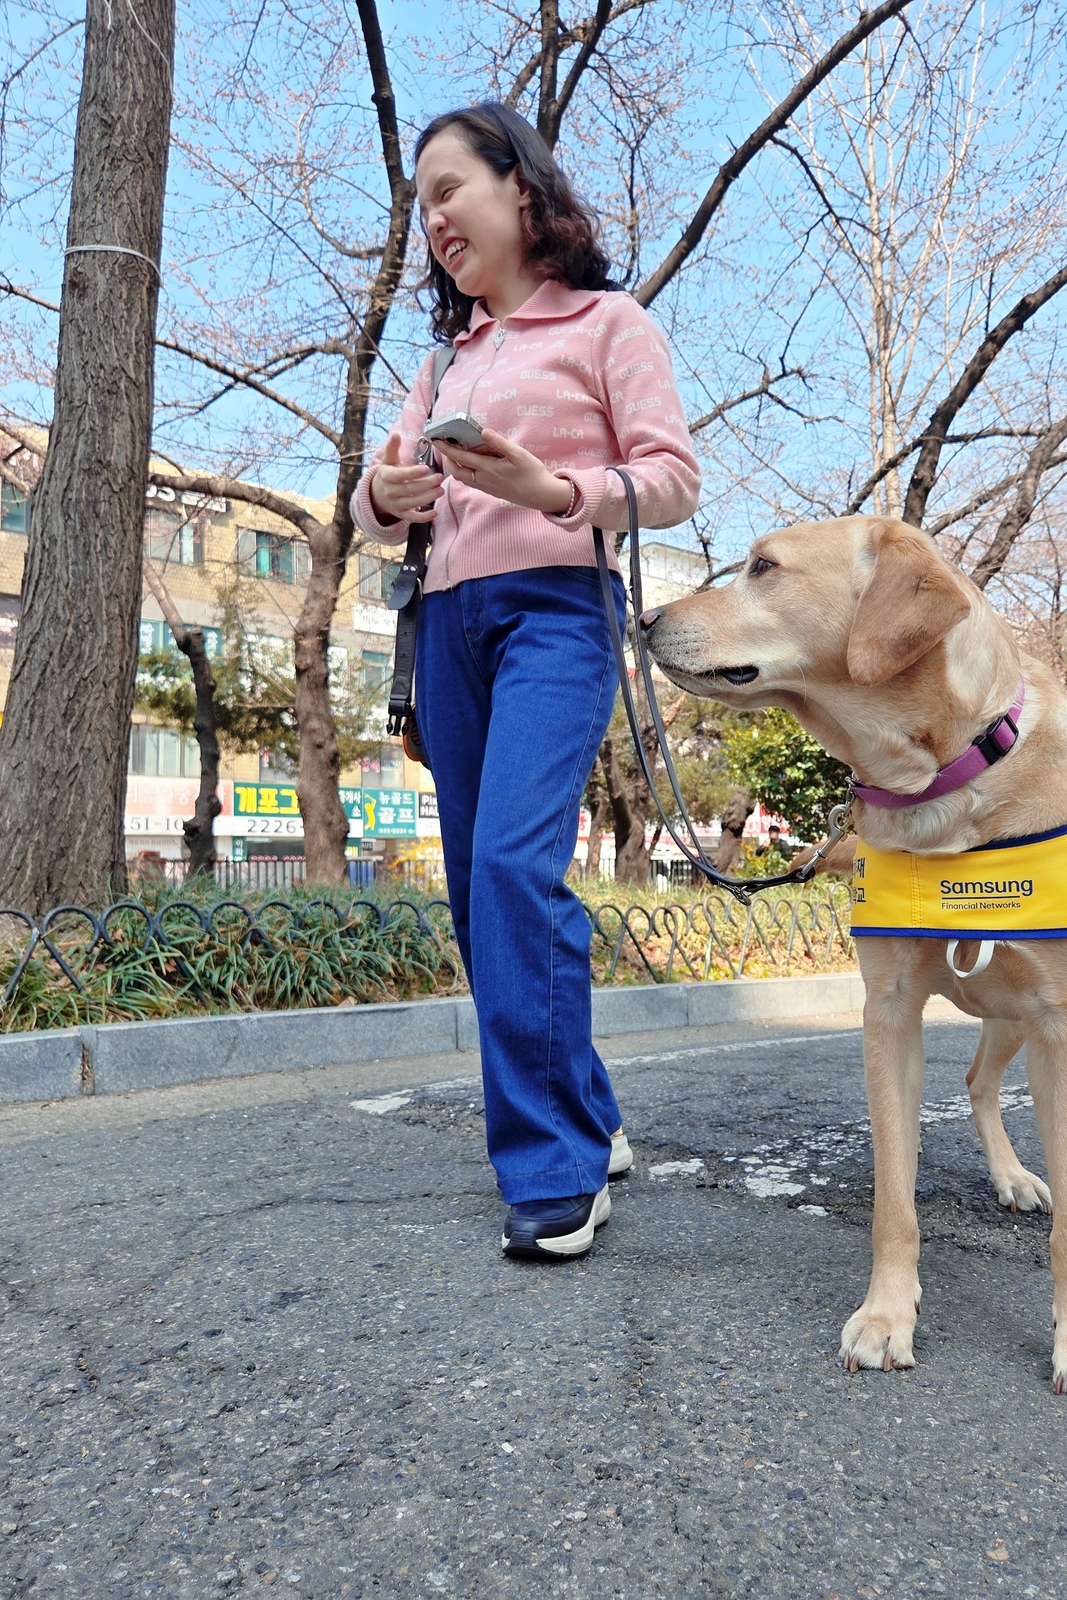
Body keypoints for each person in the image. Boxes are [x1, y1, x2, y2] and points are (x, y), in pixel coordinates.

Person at [351, 104, 700, 1260]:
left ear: (520, 186)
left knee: (511, 864)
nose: (436, 218)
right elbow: (373, 495)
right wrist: (385, 498)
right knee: (473, 888)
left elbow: (673, 478)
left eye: (451, 188)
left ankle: (554, 1169)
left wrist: (554, 490)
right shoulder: (443, 359)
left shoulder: (610, 323)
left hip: (556, 610)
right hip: (448, 626)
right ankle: (590, 1111)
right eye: (422, 206)